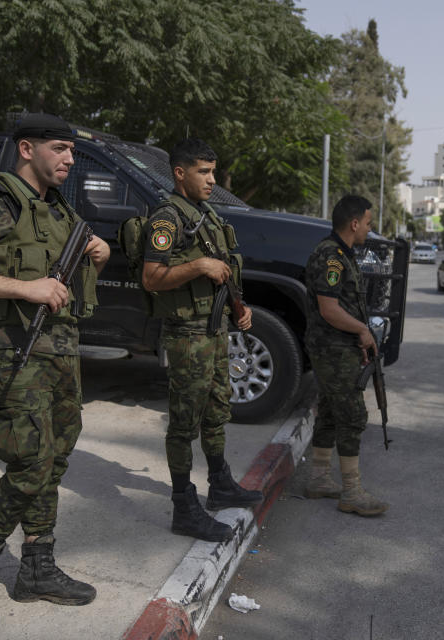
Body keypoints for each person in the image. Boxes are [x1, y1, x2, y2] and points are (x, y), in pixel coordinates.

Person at [0, 113, 110, 636]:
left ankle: (37, 566)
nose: (70, 159)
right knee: (30, 460)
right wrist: (24, 289)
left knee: (56, 455)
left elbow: (71, 284)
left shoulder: (59, 210)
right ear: (26, 148)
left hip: (61, 346)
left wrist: (98, 255)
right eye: (60, 148)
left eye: (72, 150)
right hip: (10, 345)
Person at [141, 138, 262, 542]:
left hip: (213, 330)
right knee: (184, 424)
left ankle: (220, 483)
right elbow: (151, 277)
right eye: (203, 172)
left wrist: (237, 309)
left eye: (213, 172)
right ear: (180, 173)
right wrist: (197, 265)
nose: (212, 180)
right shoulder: (168, 218)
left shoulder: (205, 214)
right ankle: (183, 505)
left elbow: (224, 272)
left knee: (216, 413)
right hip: (187, 336)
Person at [303, 195, 388, 516]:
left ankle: (319, 479)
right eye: (368, 222)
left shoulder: (341, 253)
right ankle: (351, 491)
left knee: (329, 411)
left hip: (338, 347)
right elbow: (329, 309)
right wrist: (362, 331)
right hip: (333, 349)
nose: (370, 228)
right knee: (352, 416)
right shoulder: (332, 258)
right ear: (354, 223)